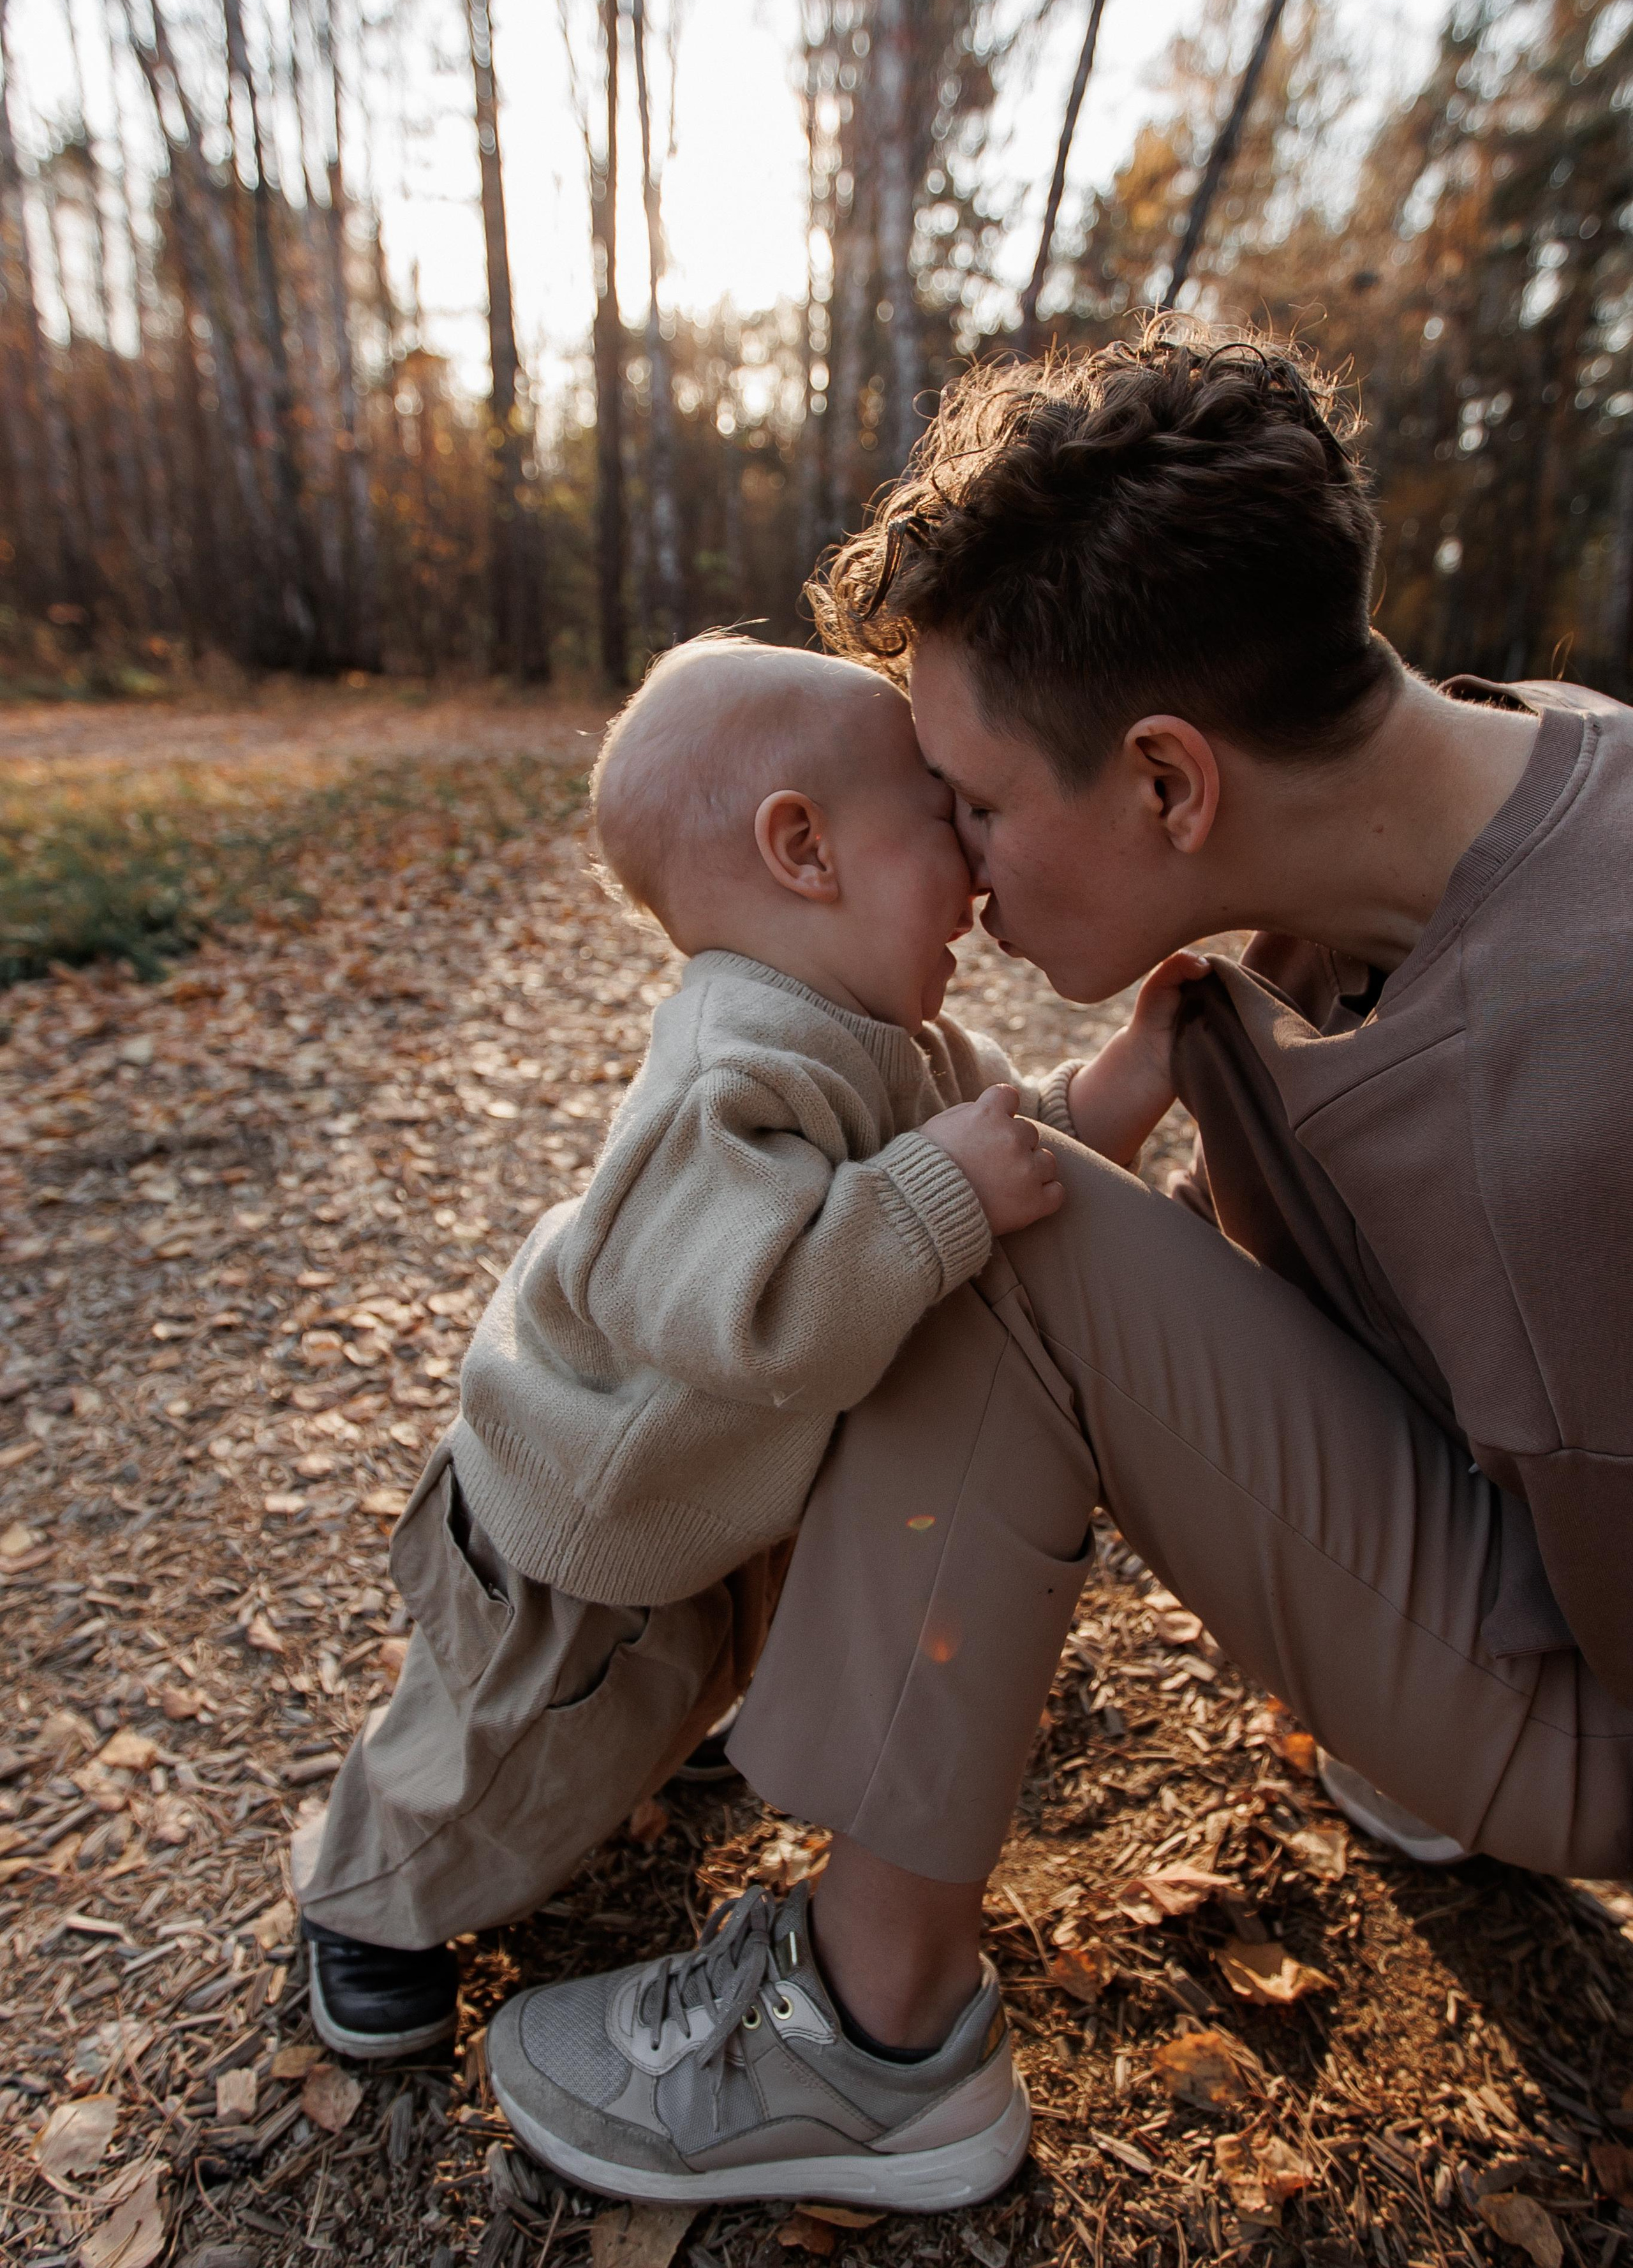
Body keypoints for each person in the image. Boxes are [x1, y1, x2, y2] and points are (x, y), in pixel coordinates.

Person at [484, 323, 1633, 2209]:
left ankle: (872, 2032)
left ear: (1171, 784)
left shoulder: (1581, 1085)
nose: (961, 862)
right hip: (1541, 1531)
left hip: (1598, 1697)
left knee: (993, 1238)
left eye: (981, 802)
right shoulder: (1508, 769)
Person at [295, 631, 1195, 2153]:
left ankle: (652, 1743)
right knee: (506, 1758)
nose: (975, 865)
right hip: (580, 1529)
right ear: (804, 851)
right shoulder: (729, 1067)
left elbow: (1008, 1146)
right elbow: (757, 1310)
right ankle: (366, 1905)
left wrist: (1141, 1068)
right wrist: (928, 1190)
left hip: (698, 1504)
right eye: (938, 813)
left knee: (667, 1695)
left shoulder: (884, 1031)